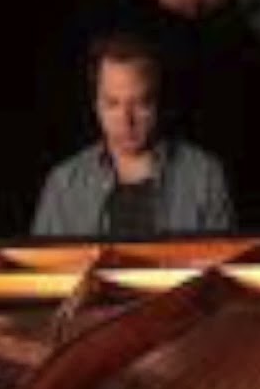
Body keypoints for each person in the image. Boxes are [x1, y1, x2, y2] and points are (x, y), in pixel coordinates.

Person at [32, 32, 234, 237]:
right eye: (113, 104)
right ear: (96, 105)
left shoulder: (204, 176)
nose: (126, 120)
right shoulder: (64, 186)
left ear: (158, 102)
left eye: (140, 104)